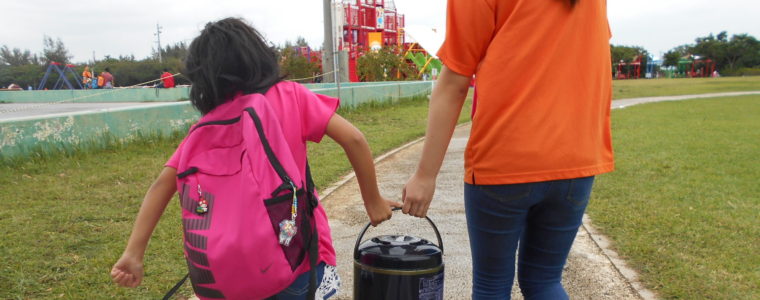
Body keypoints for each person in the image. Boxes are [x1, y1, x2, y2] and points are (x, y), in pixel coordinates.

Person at [110, 17, 401, 298]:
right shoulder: (290, 96)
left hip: (233, 273)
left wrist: (133, 253)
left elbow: (162, 184)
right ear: (259, 56)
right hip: (296, 258)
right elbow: (354, 139)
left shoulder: (208, 125)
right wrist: (372, 200)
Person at [401, 0, 614, 299]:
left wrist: (425, 175)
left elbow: (455, 82)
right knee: (545, 281)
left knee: (492, 285)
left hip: (505, 158)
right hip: (578, 158)